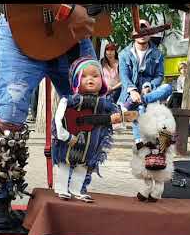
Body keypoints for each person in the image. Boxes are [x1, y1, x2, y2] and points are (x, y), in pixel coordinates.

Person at [0, 4, 97, 229]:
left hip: (72, 37)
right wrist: (68, 9)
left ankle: (75, 191)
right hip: (23, 28)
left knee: (89, 111)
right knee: (9, 113)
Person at [52, 57, 136, 202]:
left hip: (91, 144)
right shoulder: (69, 101)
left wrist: (120, 119)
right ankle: (62, 188)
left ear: (102, 81)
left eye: (95, 76)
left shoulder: (105, 104)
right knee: (65, 163)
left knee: (84, 166)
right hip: (70, 140)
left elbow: (116, 121)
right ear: (76, 81)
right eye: (84, 76)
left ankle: (78, 189)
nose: (90, 79)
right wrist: (64, 136)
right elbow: (62, 121)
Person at [118, 19, 173, 145]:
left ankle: (140, 100)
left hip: (148, 92)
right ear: (133, 33)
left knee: (168, 87)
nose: (142, 33)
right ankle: (140, 142)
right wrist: (132, 91)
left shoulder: (157, 53)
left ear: (151, 33)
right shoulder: (124, 54)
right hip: (129, 94)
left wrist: (149, 86)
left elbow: (159, 76)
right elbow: (124, 76)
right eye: (139, 30)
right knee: (141, 107)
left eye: (145, 30)